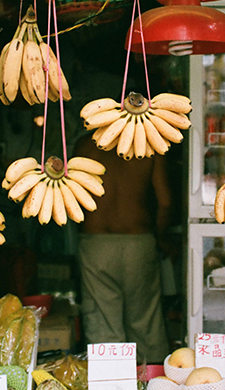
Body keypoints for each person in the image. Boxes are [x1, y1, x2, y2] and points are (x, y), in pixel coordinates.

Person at [75, 135, 171, 363]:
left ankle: (111, 382)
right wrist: (161, 236)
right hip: (138, 241)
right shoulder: (151, 144)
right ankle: (151, 384)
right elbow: (165, 202)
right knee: (145, 321)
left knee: (102, 323)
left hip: (96, 242)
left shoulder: (86, 145)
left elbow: (71, 197)